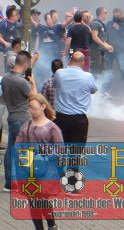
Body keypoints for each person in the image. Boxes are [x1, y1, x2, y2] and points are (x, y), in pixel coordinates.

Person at [16, 94, 63, 230]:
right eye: (29, 108)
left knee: (42, 199)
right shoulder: (26, 126)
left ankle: (51, 225)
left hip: (47, 170)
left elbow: (60, 149)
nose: (31, 111)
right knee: (32, 200)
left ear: (43, 107)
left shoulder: (53, 127)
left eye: (34, 108)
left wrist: (46, 158)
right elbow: (18, 145)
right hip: (29, 169)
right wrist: (23, 156)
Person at [1, 50, 37, 191]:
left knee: (10, 150)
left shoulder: (6, 79)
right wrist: (33, 83)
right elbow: (33, 96)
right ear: (25, 64)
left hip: (11, 117)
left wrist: (32, 61)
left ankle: (9, 183)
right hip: (23, 119)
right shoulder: (22, 82)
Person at [53, 51, 97, 143]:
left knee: (60, 149)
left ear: (69, 61)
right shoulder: (88, 77)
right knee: (76, 152)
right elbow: (93, 90)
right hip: (79, 120)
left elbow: (55, 85)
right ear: (83, 63)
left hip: (61, 118)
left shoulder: (59, 73)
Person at [106, 8, 124, 89]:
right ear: (113, 14)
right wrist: (106, 46)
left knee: (122, 69)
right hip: (109, 50)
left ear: (120, 14)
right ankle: (108, 89)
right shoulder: (109, 23)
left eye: (118, 14)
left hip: (119, 51)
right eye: (115, 14)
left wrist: (118, 29)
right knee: (108, 71)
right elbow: (105, 35)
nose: (116, 16)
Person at [89, 7, 114, 75]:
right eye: (105, 13)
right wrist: (105, 46)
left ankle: (99, 85)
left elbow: (101, 39)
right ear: (101, 13)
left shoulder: (101, 24)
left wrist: (108, 46)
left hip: (101, 52)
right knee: (95, 71)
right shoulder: (95, 24)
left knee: (101, 71)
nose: (106, 14)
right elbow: (94, 37)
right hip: (95, 51)